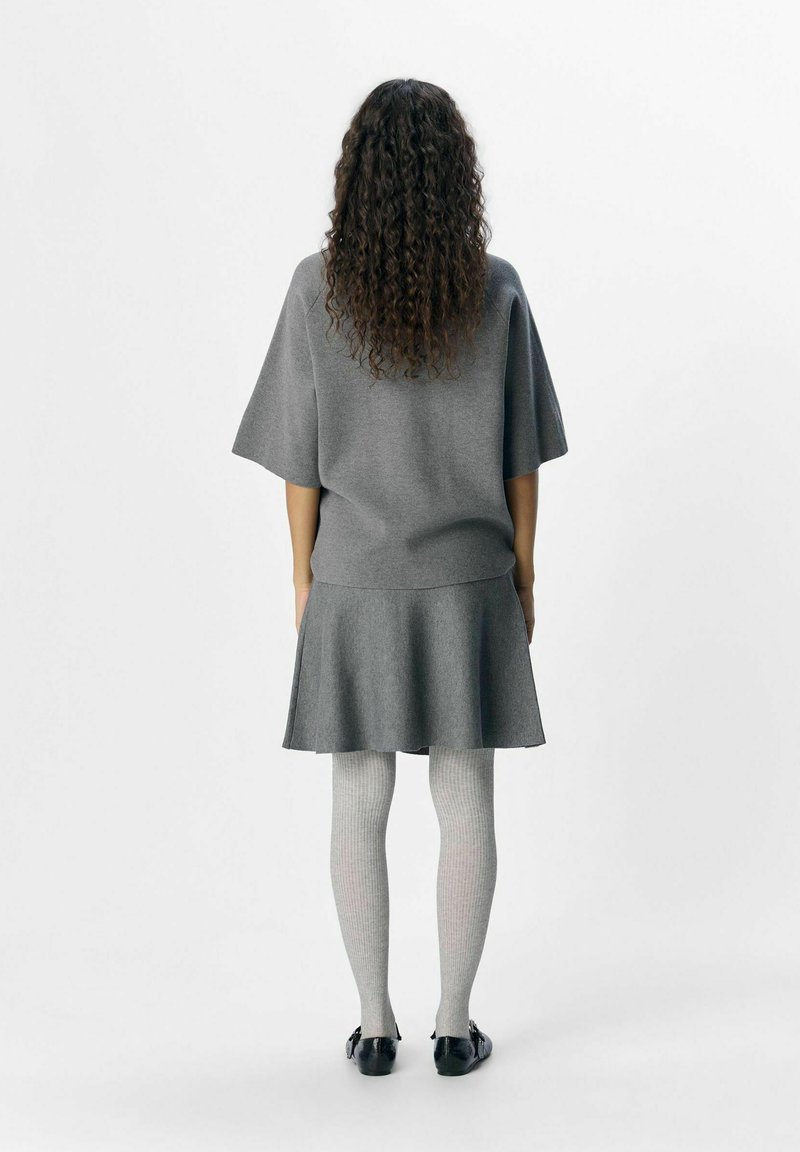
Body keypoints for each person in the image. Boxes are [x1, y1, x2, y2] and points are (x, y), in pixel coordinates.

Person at [232, 78, 568, 1077]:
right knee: (464, 794)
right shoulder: (495, 288)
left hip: (354, 577)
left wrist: (303, 576)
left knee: (359, 795)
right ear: (457, 177)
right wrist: (524, 574)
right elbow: (521, 456)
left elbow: (300, 464)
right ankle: (455, 1028)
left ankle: (374, 1026)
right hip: (468, 579)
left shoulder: (315, 288)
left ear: (356, 177)